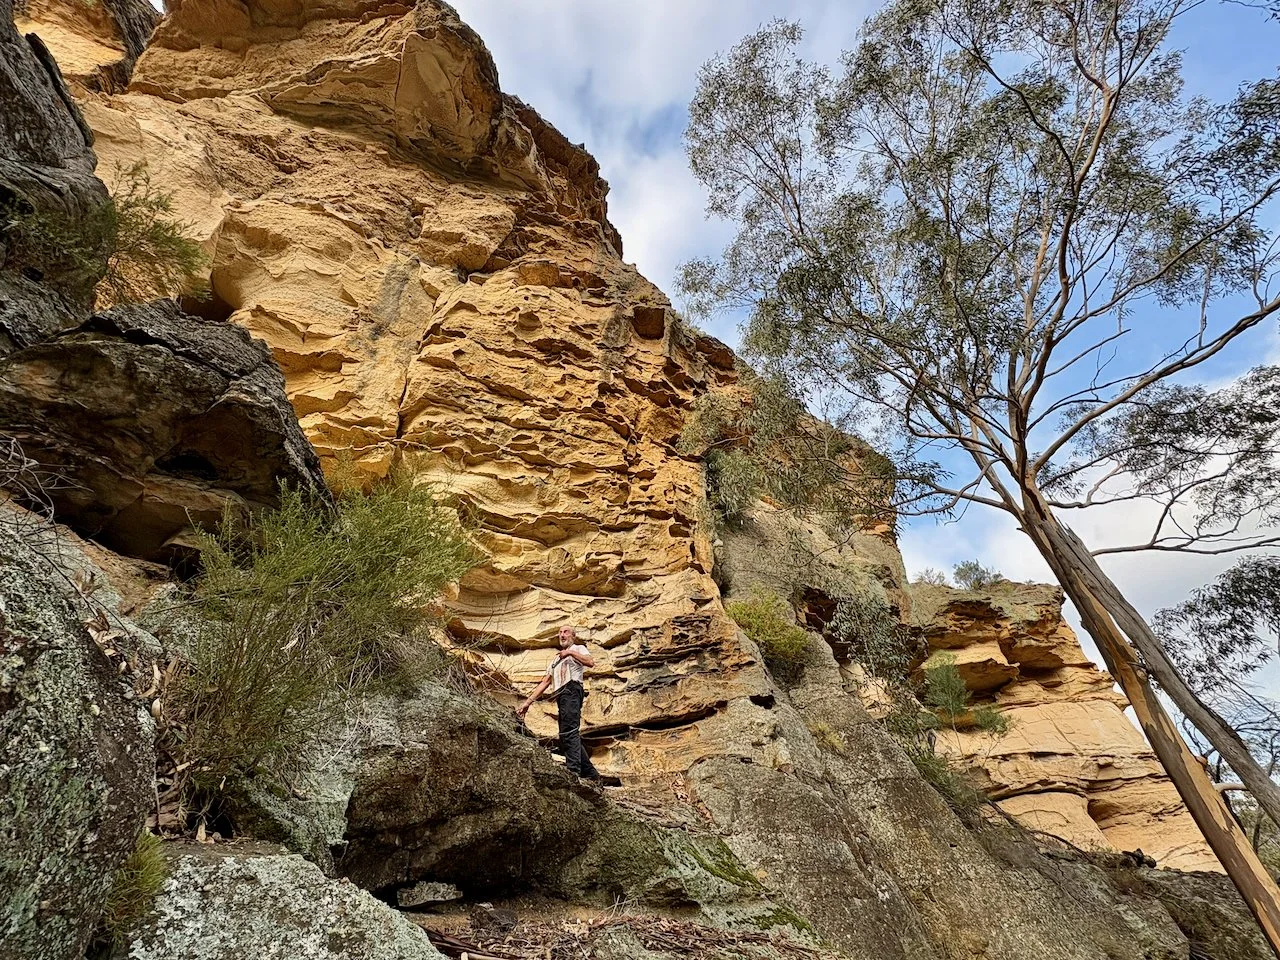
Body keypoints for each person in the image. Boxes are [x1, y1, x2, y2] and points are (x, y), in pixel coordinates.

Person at [517, 626, 599, 781]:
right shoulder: (555, 660)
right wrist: (527, 703)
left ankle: (573, 772)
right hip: (561, 694)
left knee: (569, 732)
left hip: (572, 690)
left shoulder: (578, 648)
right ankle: (591, 774)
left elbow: (590, 662)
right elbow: (545, 683)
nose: (562, 635)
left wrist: (569, 653)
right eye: (560, 632)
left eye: (566, 632)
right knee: (565, 735)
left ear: (573, 636)